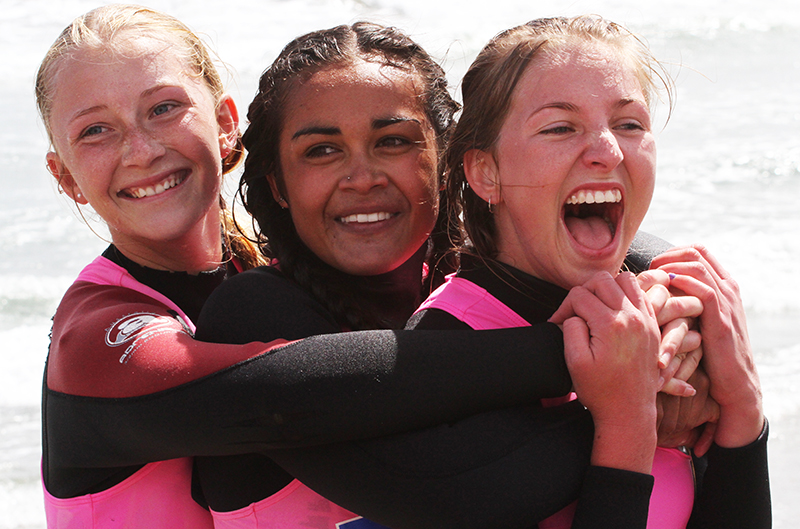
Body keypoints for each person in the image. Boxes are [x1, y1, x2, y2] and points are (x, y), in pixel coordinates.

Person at [39, 7, 653, 528]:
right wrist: (606, 370)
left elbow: (554, 226)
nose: (141, 150)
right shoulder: (99, 330)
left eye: (163, 109)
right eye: (95, 131)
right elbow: (274, 398)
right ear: (64, 176)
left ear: (226, 125)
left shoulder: (288, 266)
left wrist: (662, 288)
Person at [194, 20, 713, 529]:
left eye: (394, 141)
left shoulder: (501, 290)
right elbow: (454, 494)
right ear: (279, 186)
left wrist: (678, 299)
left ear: (448, 163)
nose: (363, 178)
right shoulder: (255, 316)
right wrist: (633, 398)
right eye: (322, 151)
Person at [401, 15, 768, 528]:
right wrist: (630, 420)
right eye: (560, 127)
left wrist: (744, 411)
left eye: (629, 124)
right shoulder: (446, 346)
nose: (608, 151)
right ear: (486, 172)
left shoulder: (669, 329)